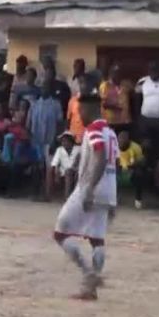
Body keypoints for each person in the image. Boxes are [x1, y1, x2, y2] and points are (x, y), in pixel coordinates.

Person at [53, 94, 118, 300]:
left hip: (90, 187)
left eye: (81, 110)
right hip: (109, 189)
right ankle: (91, 288)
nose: (79, 114)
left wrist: (89, 187)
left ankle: (88, 273)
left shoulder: (94, 130)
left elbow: (99, 157)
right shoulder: (111, 132)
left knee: (60, 233)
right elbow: (112, 163)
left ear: (90, 109)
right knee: (97, 240)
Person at [117, 129, 145, 210]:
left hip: (131, 169)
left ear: (128, 139)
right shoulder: (114, 145)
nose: (121, 140)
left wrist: (133, 165)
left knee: (139, 174)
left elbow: (142, 162)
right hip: (118, 169)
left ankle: (138, 199)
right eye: (120, 138)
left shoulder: (136, 147)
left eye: (124, 138)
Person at [99, 64, 131, 134]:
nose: (118, 75)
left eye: (119, 73)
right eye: (115, 73)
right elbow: (103, 103)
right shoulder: (105, 86)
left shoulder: (125, 85)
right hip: (110, 122)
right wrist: (117, 107)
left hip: (124, 122)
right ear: (111, 74)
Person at [47, 132, 79, 200]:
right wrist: (56, 170)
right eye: (63, 141)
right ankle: (48, 195)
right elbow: (55, 163)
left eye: (66, 141)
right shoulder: (59, 149)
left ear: (71, 141)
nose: (64, 143)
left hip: (76, 171)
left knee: (69, 172)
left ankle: (68, 197)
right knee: (49, 170)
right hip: (63, 171)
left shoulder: (78, 149)